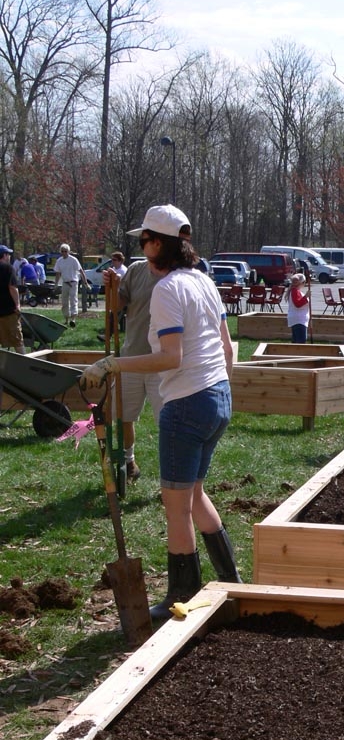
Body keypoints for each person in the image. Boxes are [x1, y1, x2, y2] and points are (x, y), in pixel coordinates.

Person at [80, 204, 242, 621]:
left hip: (186, 405)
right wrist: (219, 389)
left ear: (156, 245)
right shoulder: (205, 281)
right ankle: (230, 580)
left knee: (175, 505)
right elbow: (227, 349)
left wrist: (112, 364)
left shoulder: (169, 290)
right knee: (194, 494)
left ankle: (182, 591)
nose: (141, 249)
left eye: (143, 241)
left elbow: (170, 357)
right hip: (217, 397)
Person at [101, 257, 161, 481]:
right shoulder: (136, 270)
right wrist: (112, 287)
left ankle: (175, 477)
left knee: (169, 421)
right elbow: (116, 305)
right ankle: (129, 461)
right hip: (132, 357)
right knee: (124, 415)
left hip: (164, 361)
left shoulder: (179, 272)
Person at [53, 243, 87, 327]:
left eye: (65, 251)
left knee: (73, 300)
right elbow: (58, 273)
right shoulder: (59, 261)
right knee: (64, 302)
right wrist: (56, 284)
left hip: (73, 282)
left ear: (68, 251)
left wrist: (85, 282)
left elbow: (81, 271)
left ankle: (73, 319)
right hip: (65, 283)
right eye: (62, 251)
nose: (64, 253)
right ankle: (66, 319)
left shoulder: (73, 260)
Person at [0, 244, 25, 354]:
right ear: (4, 255)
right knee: (17, 339)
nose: (10, 256)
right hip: (9, 310)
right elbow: (12, 288)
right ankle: (24, 364)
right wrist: (17, 305)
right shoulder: (8, 268)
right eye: (9, 254)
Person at [286, 271, 312, 342]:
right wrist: (306, 296)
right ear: (301, 283)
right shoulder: (295, 291)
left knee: (297, 341)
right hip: (299, 320)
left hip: (299, 319)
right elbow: (297, 304)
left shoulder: (296, 291)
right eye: (304, 282)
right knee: (300, 341)